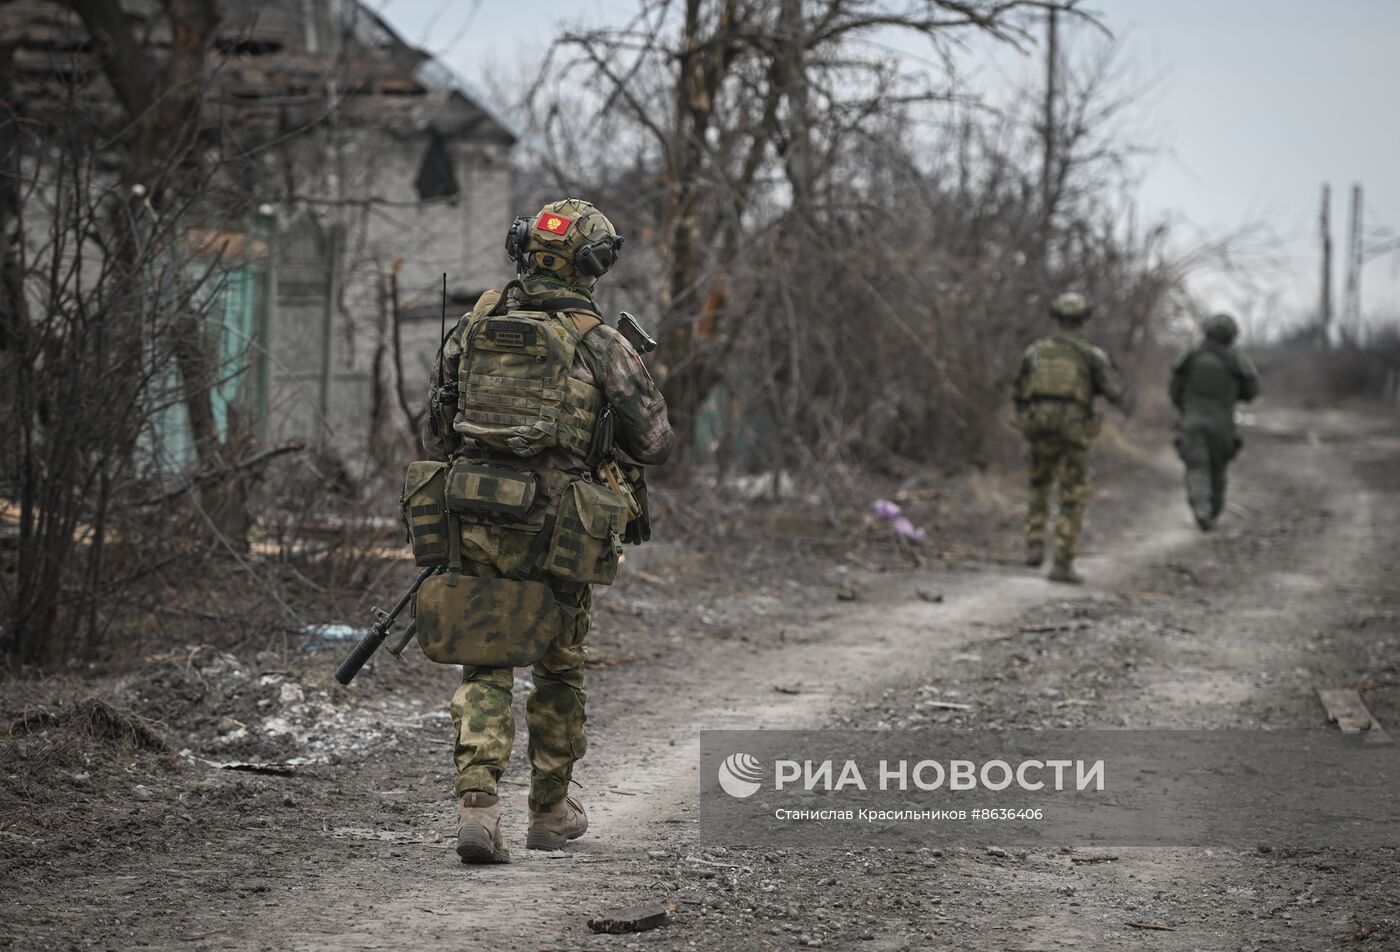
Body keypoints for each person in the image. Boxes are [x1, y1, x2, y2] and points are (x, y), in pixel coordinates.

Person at [419, 199, 674, 863]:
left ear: (522, 250)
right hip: (561, 524)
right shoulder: (598, 339)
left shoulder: (475, 326)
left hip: (476, 512)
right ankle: (550, 809)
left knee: (486, 657)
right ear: (595, 263)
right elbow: (654, 442)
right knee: (559, 667)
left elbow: (437, 428)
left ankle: (478, 804)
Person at [1013, 291, 1123, 584]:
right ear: (1083, 318)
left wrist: (1029, 419)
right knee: (1072, 494)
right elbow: (1115, 393)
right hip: (1074, 430)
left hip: (1039, 426)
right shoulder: (1091, 354)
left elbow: (1019, 391)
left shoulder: (1035, 350)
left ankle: (1034, 540)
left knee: (1038, 483)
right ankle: (1062, 563)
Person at [1169, 312, 1259, 531]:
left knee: (1197, 468)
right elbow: (1251, 391)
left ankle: (1202, 508)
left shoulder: (1192, 355)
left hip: (1193, 420)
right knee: (1218, 469)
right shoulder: (1236, 359)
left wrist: (1185, 409)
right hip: (1222, 423)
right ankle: (1214, 510)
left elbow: (1174, 388)